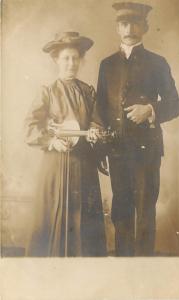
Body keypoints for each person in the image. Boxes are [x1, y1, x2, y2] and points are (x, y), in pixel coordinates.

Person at [93, 2, 179, 256]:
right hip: (117, 150)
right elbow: (100, 109)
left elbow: (175, 104)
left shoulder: (158, 63)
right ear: (117, 28)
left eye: (134, 23)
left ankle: (144, 276)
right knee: (121, 210)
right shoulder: (106, 65)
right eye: (123, 23)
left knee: (144, 210)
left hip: (147, 150)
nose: (129, 28)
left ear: (145, 27)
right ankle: (123, 272)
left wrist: (150, 109)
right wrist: (101, 149)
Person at [24, 31, 107, 257]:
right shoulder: (48, 92)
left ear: (81, 60)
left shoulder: (89, 92)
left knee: (85, 224)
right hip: (56, 166)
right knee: (55, 218)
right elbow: (30, 127)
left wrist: (94, 134)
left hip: (84, 167)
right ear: (56, 60)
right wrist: (51, 141)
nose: (71, 63)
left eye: (75, 58)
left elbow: (97, 122)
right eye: (66, 58)